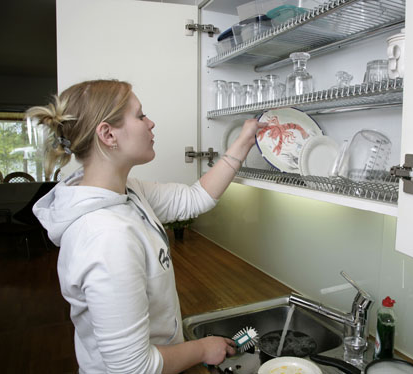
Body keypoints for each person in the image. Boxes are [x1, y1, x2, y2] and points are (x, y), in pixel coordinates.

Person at [27, 79, 265, 374]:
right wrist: (202, 348)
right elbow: (132, 368)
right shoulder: (106, 237)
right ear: (108, 133)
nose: (151, 123)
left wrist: (244, 141)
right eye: (140, 115)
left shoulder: (126, 192)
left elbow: (193, 199)